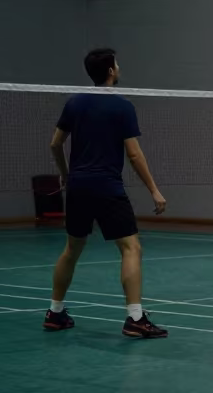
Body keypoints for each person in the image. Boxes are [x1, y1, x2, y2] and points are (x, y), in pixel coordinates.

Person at [44, 48, 169, 338]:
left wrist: (66, 175)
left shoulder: (74, 103)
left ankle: (55, 312)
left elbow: (55, 144)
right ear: (111, 71)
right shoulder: (122, 106)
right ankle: (135, 318)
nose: (119, 67)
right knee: (131, 248)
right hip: (107, 187)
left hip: (78, 187)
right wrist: (154, 190)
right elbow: (134, 155)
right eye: (117, 63)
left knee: (72, 250)